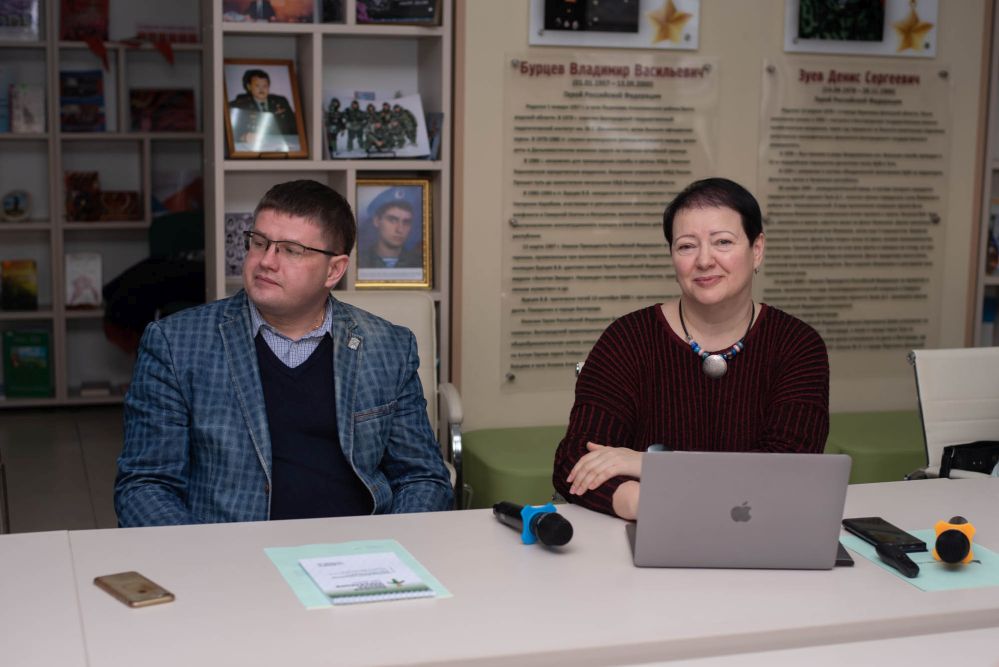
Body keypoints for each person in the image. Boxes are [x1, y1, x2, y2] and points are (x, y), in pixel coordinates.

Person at [115, 179, 453, 526]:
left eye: (291, 250)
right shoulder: (176, 344)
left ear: (334, 270)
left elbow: (423, 477)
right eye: (259, 243)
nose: (266, 261)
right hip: (231, 547)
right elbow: (144, 486)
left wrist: (390, 545)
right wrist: (203, 554)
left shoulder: (388, 346)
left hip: (358, 547)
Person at [552, 177, 829, 520]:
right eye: (686, 246)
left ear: (757, 249)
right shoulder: (628, 338)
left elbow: (789, 468)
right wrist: (650, 503)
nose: (704, 260)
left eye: (723, 242)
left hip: (761, 533)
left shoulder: (797, 345)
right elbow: (576, 460)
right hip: (649, 533)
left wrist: (649, 465)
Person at [358, 189, 424, 269]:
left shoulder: (420, 263)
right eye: (392, 220)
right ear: (376, 221)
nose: (400, 229)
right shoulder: (359, 261)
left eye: (406, 222)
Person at [229, 69, 298, 143]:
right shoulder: (240, 105)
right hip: (255, 145)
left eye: (265, 86)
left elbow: (294, 126)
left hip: (283, 143)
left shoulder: (281, 101)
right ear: (249, 87)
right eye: (257, 85)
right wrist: (243, 137)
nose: (261, 89)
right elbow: (229, 131)